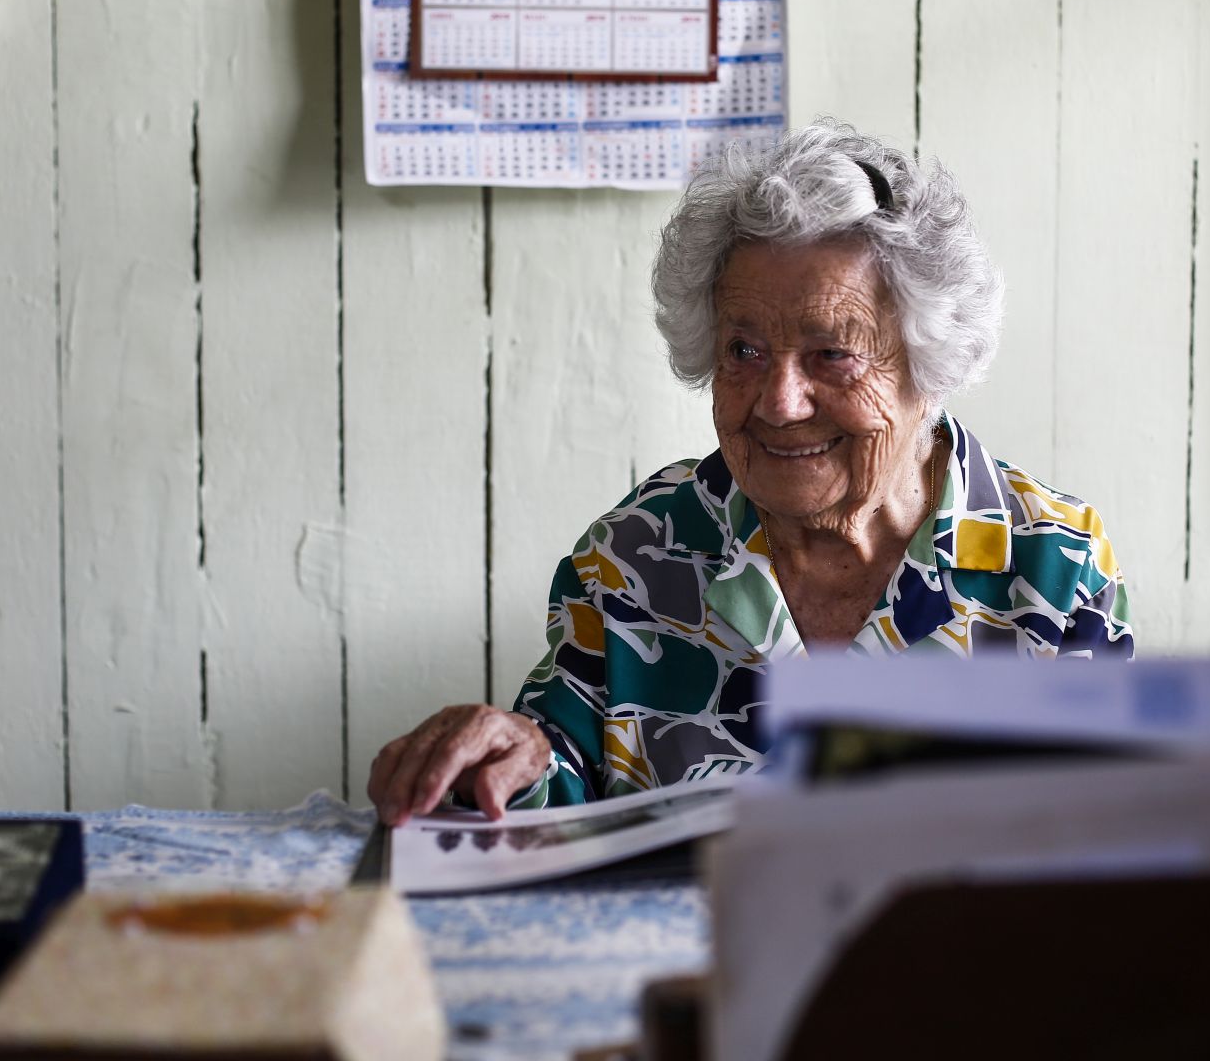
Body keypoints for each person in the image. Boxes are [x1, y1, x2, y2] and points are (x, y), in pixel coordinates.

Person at [368, 120, 1133, 825]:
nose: (779, 400)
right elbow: (557, 782)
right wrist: (506, 758)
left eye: (832, 353)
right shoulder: (637, 553)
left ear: (928, 365)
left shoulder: (1050, 566)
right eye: (744, 352)